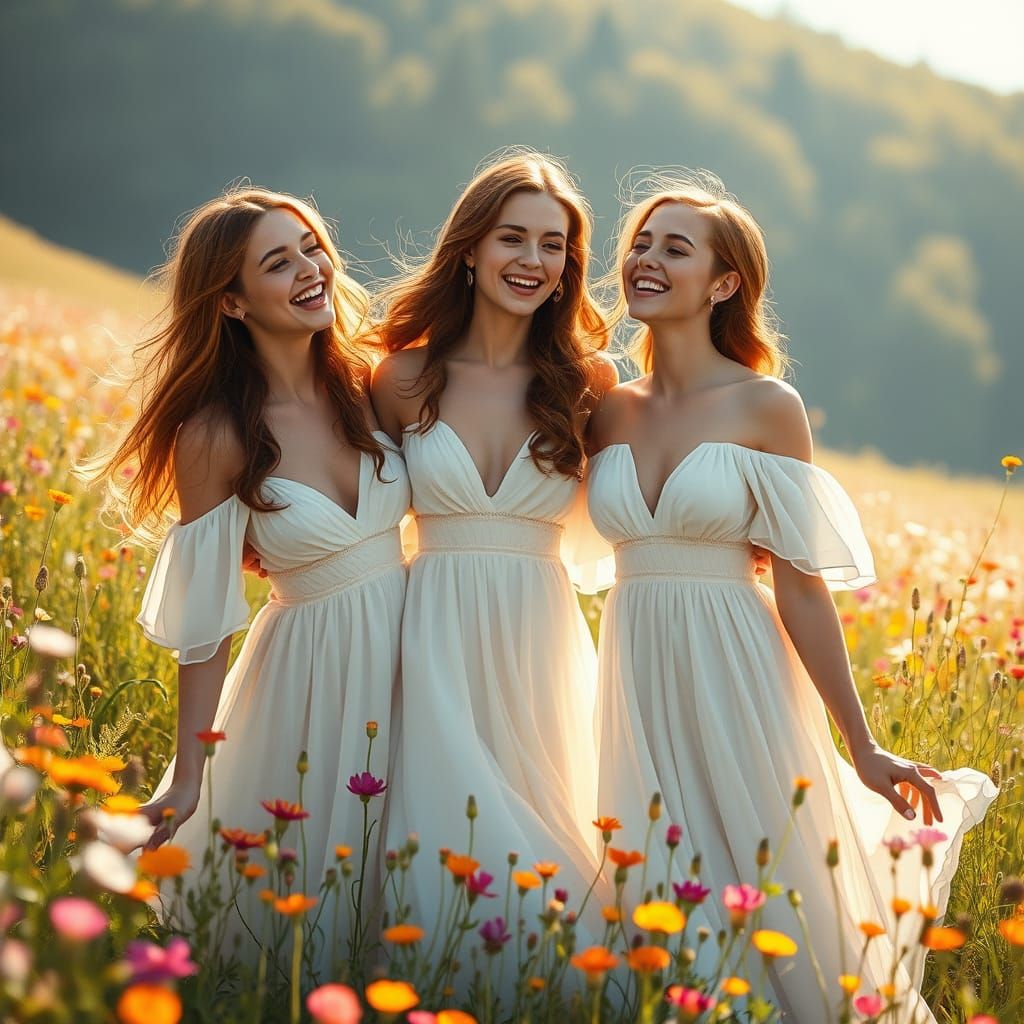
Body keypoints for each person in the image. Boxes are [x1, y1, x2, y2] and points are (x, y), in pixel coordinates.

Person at [587, 171, 996, 1021]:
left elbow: (802, 590)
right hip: (633, 674)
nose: (646, 259)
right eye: (640, 243)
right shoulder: (604, 410)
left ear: (724, 282)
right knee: (653, 880)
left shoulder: (767, 406)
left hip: (739, 673)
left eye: (675, 247)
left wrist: (863, 742)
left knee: (767, 872)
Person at [83, 187, 410, 976]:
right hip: (308, 673)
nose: (310, 270)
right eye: (278, 262)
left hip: (414, 649)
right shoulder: (217, 435)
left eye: (310, 247)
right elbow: (206, 623)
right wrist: (190, 772)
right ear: (230, 302)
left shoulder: (371, 384)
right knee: (297, 906)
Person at [371, 150, 618, 981]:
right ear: (469, 249)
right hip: (427, 626)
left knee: (549, 832)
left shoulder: (587, 383)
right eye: (513, 237)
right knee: (438, 820)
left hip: (536, 637)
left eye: (553, 247)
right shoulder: (402, 376)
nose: (533, 260)